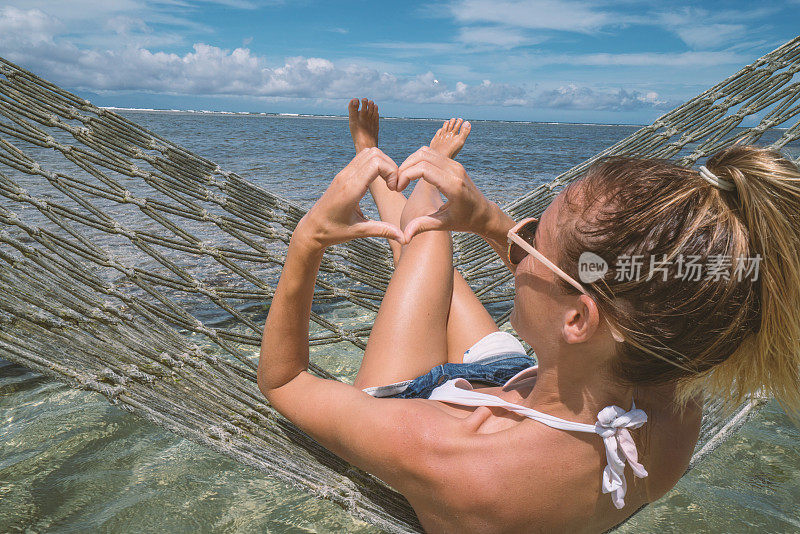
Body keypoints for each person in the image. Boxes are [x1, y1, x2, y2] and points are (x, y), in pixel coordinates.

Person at [257, 98, 800, 533]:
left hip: (432, 406)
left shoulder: (448, 453)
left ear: (579, 321)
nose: (517, 245)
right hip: (526, 379)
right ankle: (381, 171)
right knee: (430, 252)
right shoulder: (668, 387)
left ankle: (374, 165)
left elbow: (284, 381)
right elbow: (634, 282)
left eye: (533, 233)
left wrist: (308, 240)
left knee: (424, 227)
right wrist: (489, 218)